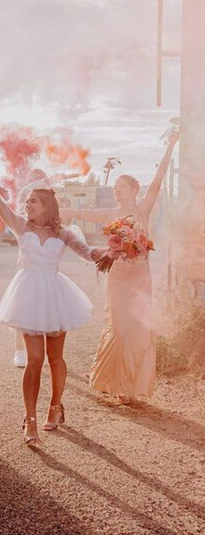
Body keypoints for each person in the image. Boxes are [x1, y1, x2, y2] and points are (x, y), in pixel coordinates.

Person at [0, 157, 104, 444]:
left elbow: (89, 252)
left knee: (56, 358)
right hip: (28, 294)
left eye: (33, 202)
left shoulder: (63, 233)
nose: (27, 205)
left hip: (55, 296)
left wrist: (116, 248)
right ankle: (29, 419)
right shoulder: (21, 226)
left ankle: (56, 406)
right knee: (34, 359)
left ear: (47, 206)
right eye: (27, 201)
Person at [60, 132, 179, 404]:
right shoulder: (110, 214)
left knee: (138, 329)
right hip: (117, 279)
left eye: (121, 188)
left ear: (134, 191)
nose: (117, 192)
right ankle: (113, 382)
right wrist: (61, 213)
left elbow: (159, 180)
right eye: (115, 189)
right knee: (119, 327)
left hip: (140, 278)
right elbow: (83, 214)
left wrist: (170, 146)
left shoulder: (144, 210)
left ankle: (131, 385)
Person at [12, 169, 81, 369]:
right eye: (34, 179)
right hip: (28, 259)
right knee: (22, 308)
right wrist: (66, 176)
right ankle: (20, 350)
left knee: (47, 305)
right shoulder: (26, 196)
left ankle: (44, 352)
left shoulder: (44, 200)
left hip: (46, 264)